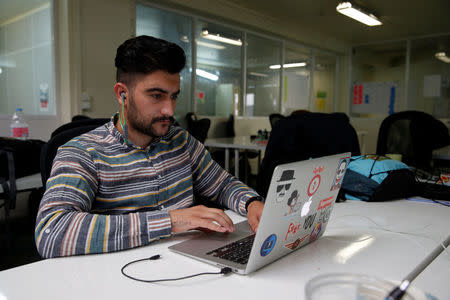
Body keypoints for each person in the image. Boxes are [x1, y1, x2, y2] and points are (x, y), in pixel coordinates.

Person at [35, 35, 264, 258]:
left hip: (187, 266)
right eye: (157, 96)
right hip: (118, 277)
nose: (170, 111)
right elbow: (51, 232)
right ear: (122, 94)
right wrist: (171, 221)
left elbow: (222, 185)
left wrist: (251, 203)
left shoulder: (181, 141)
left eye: (174, 97)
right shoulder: (83, 152)